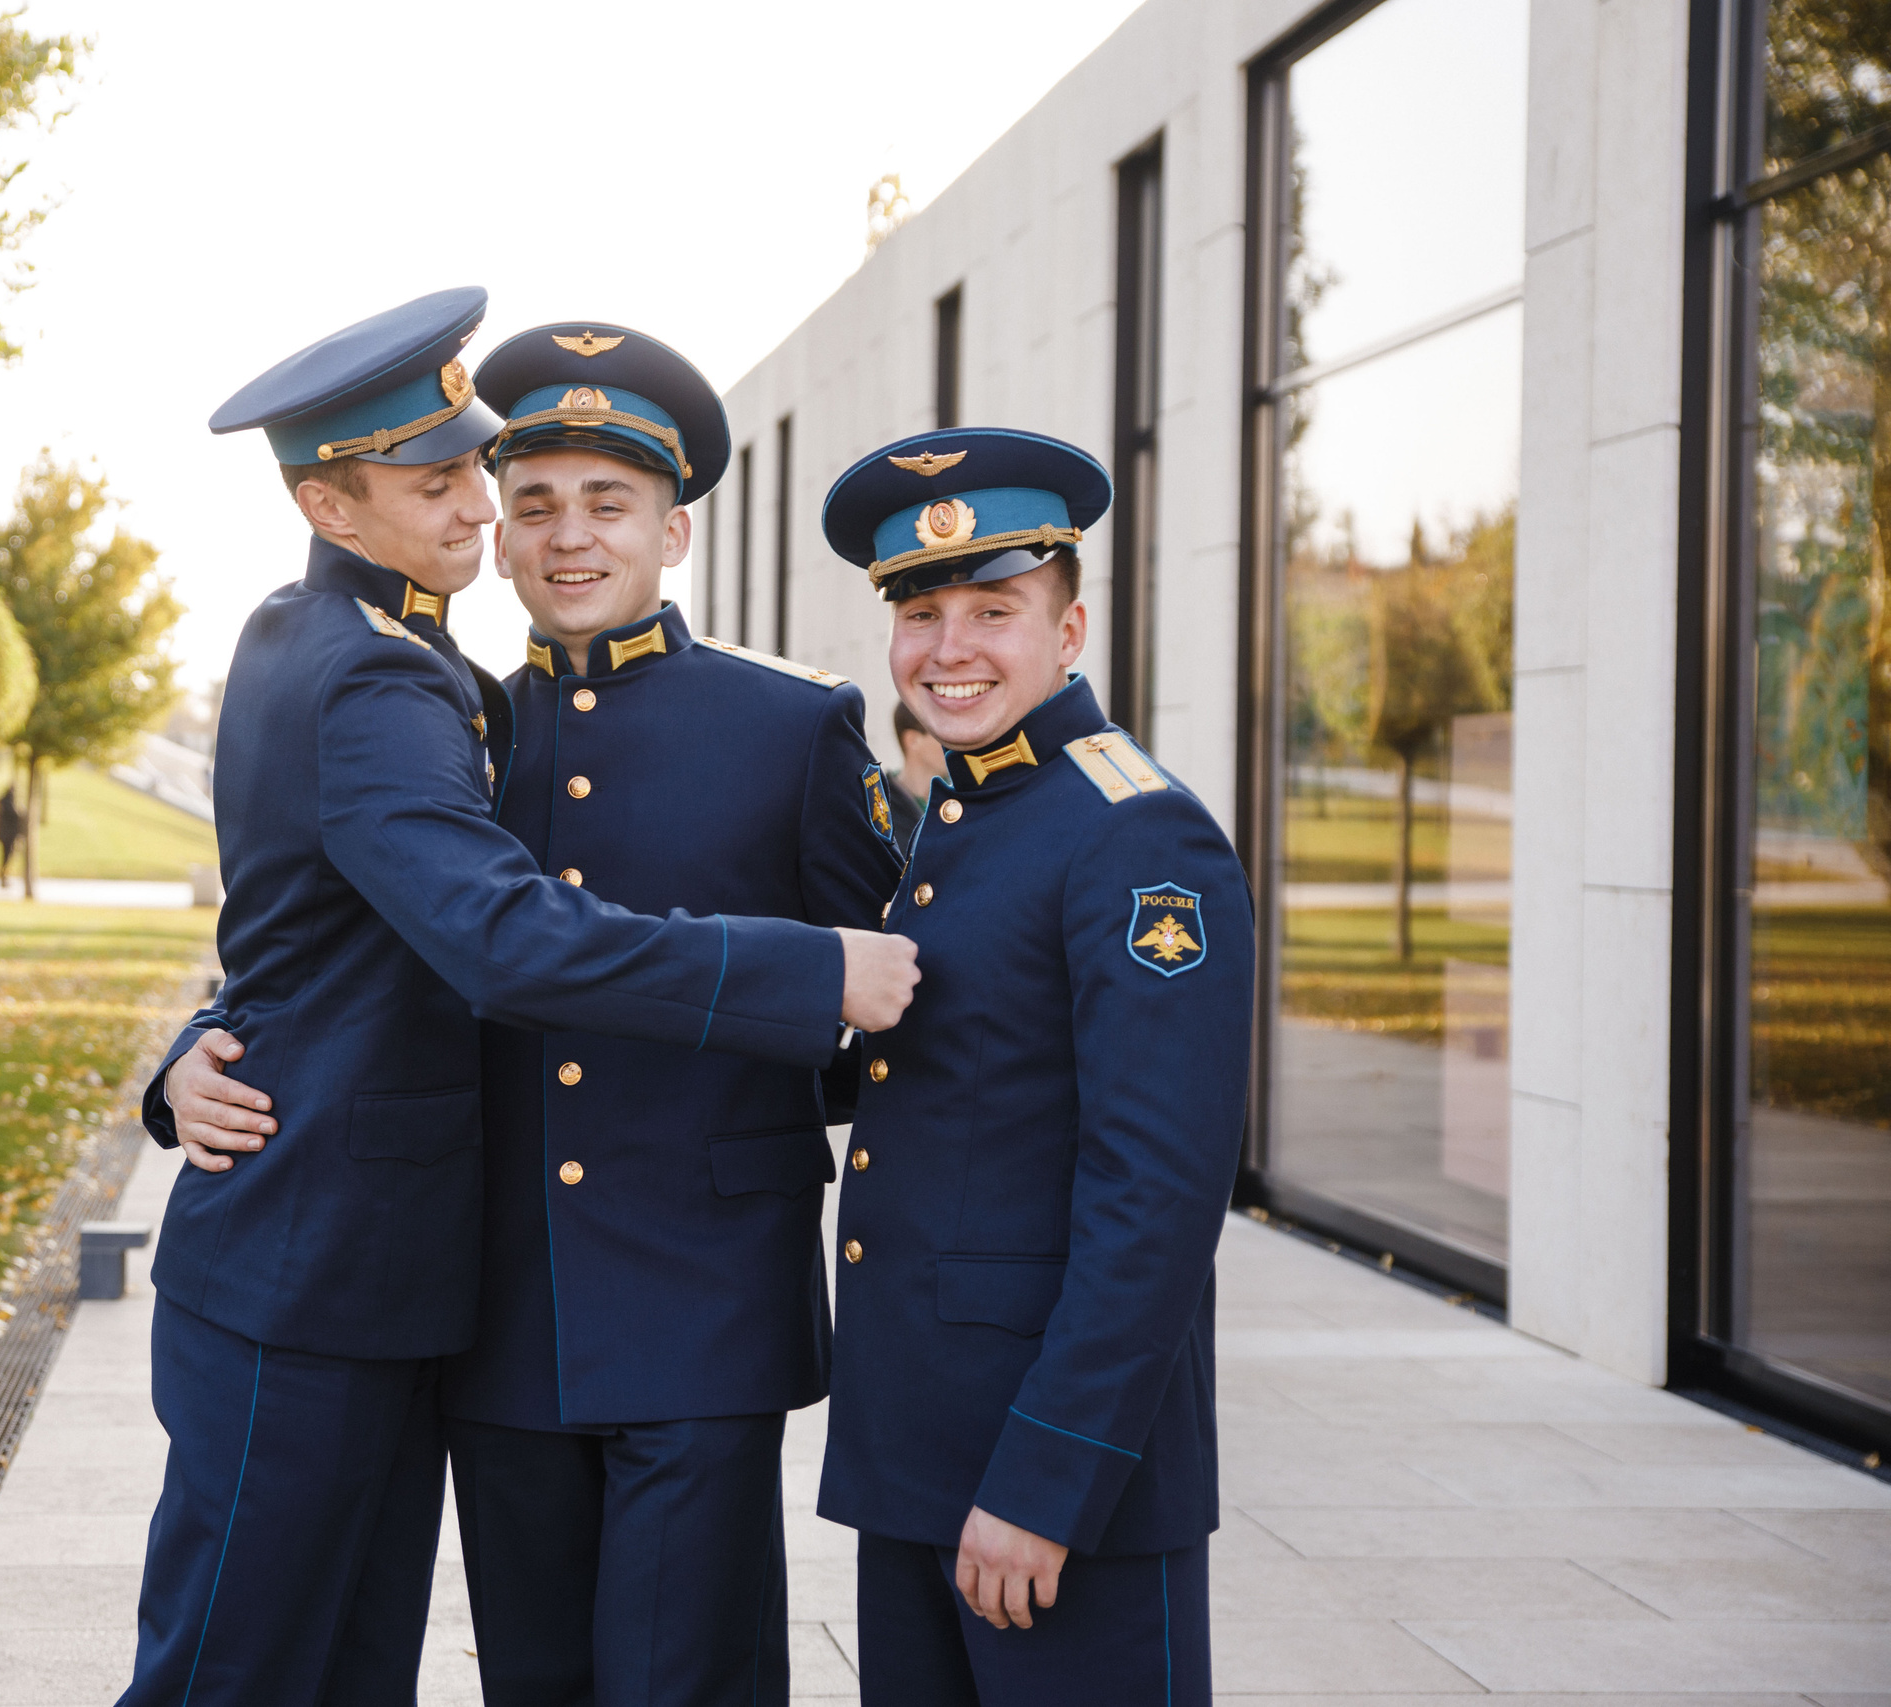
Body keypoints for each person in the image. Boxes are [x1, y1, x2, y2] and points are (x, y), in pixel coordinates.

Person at [116, 289, 919, 1707]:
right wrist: (199, 1046)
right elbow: (370, 934)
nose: (551, 533)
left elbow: (901, 997)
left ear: (673, 530)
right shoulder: (456, 708)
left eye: (607, 503)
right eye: (518, 493)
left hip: (698, 1306)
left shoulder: (790, 727)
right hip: (495, 1310)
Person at [816, 427, 1253, 1706]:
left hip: (1054, 1486)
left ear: (1067, 632)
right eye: (920, 613)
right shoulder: (963, 814)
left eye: (992, 610)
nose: (948, 650)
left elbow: (1157, 1197)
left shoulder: (1132, 832)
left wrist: (1042, 1480)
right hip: (920, 1452)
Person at [888, 697, 944, 846]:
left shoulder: (960, 799)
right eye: (942, 730)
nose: (957, 740)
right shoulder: (879, 809)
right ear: (913, 740)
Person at [0, 783, 23, 887]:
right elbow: (15, 815)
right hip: (8, 835)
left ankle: (4, 876)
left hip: (5, 835)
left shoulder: (2, 802)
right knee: (6, 857)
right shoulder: (8, 803)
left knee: (6, 857)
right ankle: (4, 876)